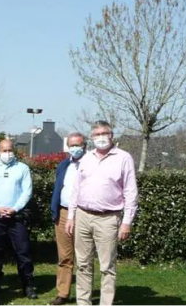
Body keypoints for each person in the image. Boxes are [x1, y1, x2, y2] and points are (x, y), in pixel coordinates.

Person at [65, 121, 138, 306]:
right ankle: (83, 303)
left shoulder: (123, 158)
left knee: (107, 267)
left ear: (112, 135)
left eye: (104, 133)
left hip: (108, 218)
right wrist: (71, 216)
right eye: (96, 134)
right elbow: (76, 189)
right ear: (91, 138)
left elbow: (131, 191)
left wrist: (127, 222)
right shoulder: (86, 158)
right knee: (82, 264)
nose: (101, 137)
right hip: (82, 215)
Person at [0, 138, 37, 299]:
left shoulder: (22, 168)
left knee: (23, 252)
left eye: (10, 150)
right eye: (4, 150)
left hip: (16, 217)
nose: (8, 153)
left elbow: (27, 192)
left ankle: (28, 284)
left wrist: (14, 209)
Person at [49, 133, 87, 305]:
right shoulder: (64, 164)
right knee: (64, 256)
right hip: (63, 213)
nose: (74, 148)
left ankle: (83, 294)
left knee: (84, 257)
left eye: (77, 145)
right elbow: (59, 186)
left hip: (84, 213)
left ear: (84, 145)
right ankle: (63, 293)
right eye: (71, 145)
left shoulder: (91, 164)